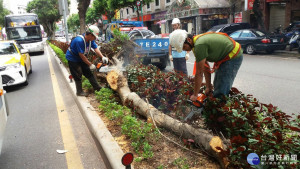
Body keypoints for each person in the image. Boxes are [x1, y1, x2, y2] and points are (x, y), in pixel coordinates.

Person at [169, 29, 243, 101]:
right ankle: (218, 102)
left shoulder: (199, 45)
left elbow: (199, 73)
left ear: (188, 40)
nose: (184, 50)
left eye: (184, 47)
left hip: (233, 56)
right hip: (225, 56)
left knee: (221, 87)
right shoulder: (195, 43)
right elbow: (205, 67)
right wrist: (208, 86)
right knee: (217, 83)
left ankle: (220, 107)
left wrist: (195, 95)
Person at [66, 25, 109, 96]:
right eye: (94, 37)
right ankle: (79, 92)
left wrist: (102, 57)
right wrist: (90, 64)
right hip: (73, 59)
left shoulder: (90, 40)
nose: (95, 38)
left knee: (88, 73)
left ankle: (97, 88)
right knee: (78, 74)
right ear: (89, 35)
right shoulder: (79, 41)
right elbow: (82, 55)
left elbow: (96, 49)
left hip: (81, 58)